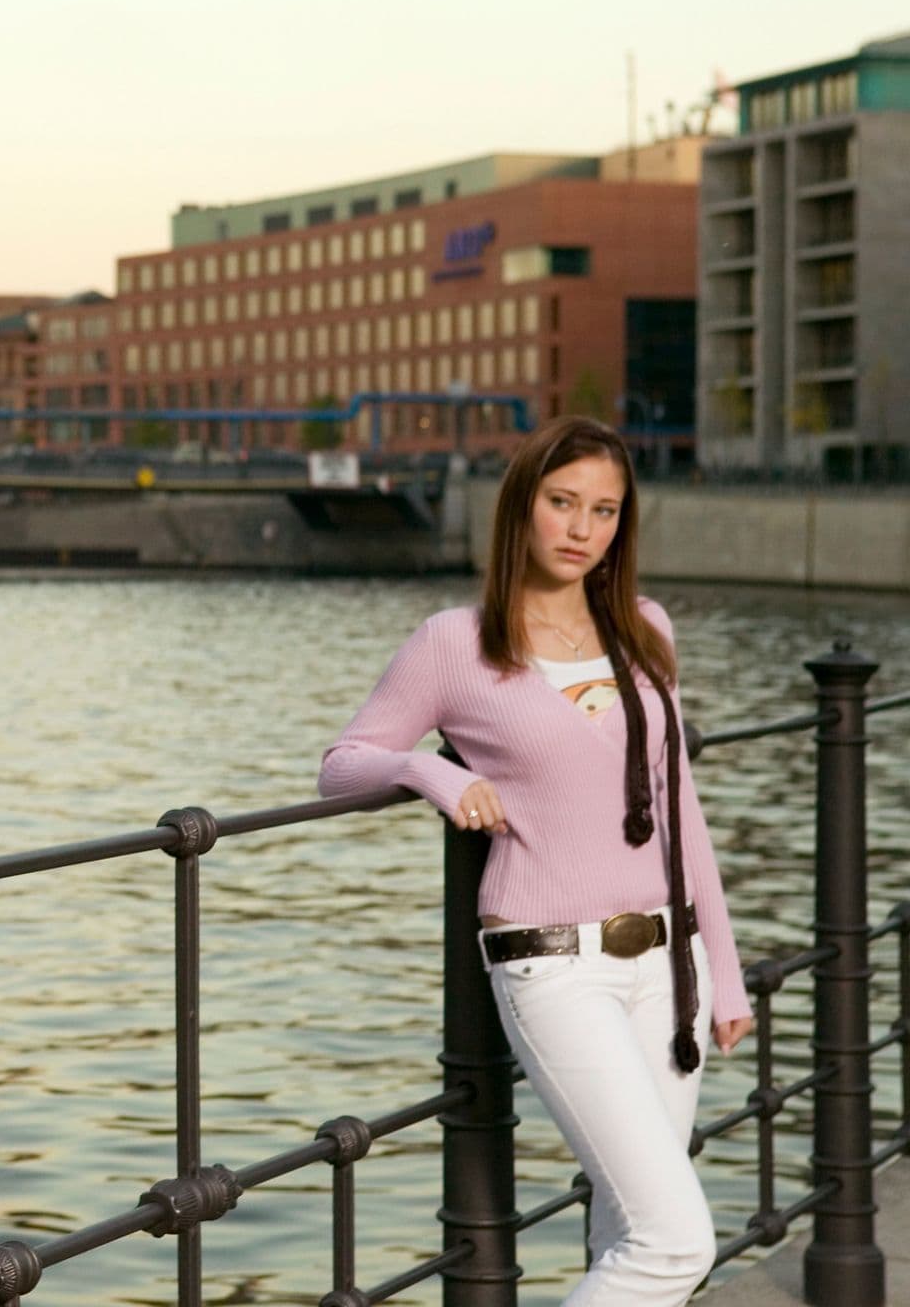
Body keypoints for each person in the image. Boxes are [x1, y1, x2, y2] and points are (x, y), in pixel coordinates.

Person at [318, 415, 752, 1307]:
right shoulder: (454, 642)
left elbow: (680, 809)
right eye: (562, 503)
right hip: (555, 965)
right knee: (675, 1243)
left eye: (604, 510)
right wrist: (425, 768)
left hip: (671, 968)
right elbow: (342, 765)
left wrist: (727, 972)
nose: (582, 529)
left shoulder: (645, 628)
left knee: (628, 1232)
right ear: (522, 506)